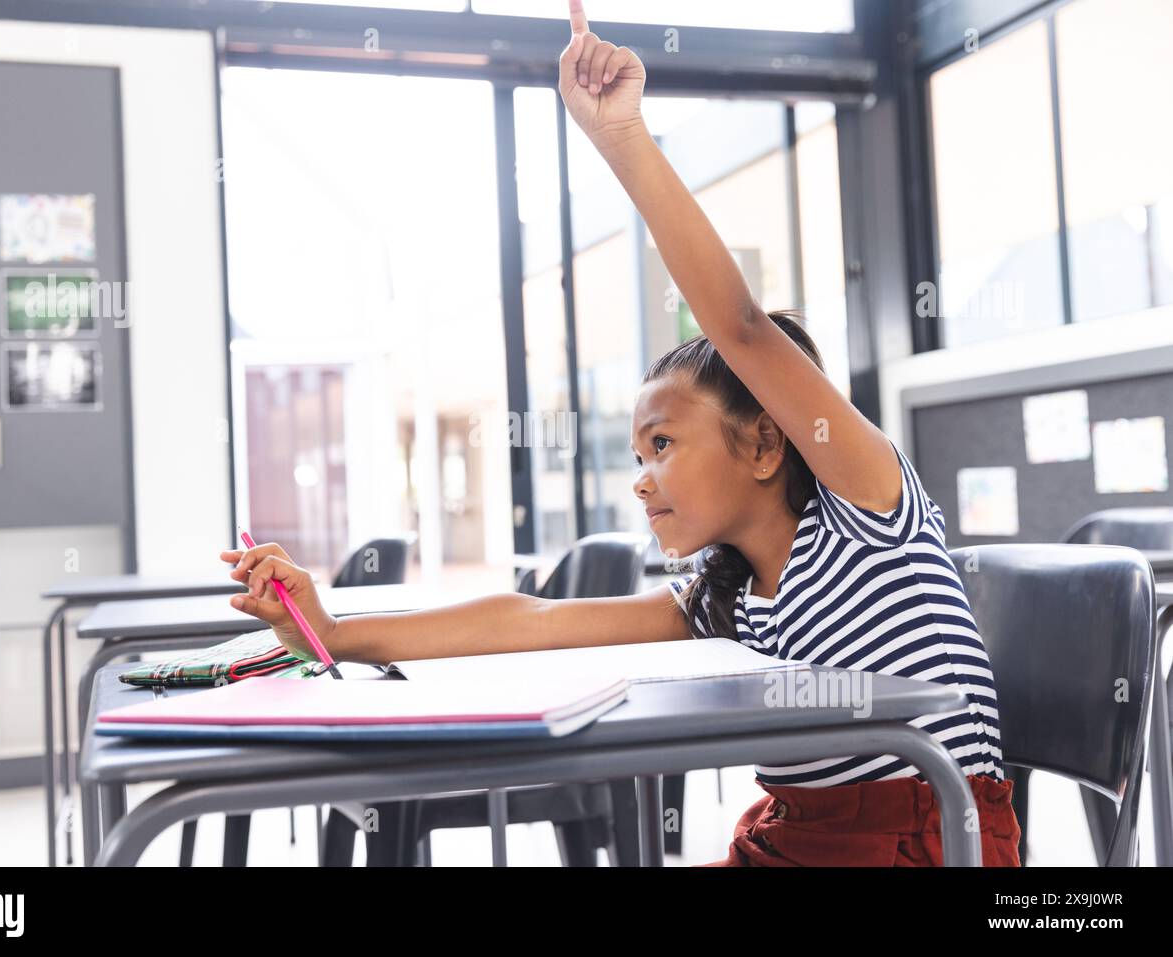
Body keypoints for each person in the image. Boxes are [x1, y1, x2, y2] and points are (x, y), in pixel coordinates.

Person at [219, 0, 1020, 866]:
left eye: (663, 446)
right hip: (798, 843)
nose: (641, 479)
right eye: (639, 456)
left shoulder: (872, 509)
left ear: (765, 443)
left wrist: (621, 137)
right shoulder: (728, 600)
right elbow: (531, 621)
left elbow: (743, 328)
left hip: (937, 842)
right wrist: (332, 631)